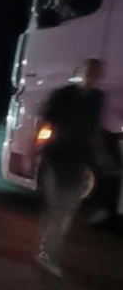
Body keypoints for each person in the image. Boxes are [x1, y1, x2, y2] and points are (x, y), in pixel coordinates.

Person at [35, 59, 105, 278]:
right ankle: (48, 253)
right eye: (88, 73)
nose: (91, 78)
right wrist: (38, 148)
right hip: (57, 157)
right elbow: (45, 123)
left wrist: (102, 157)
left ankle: (47, 249)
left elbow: (94, 131)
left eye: (95, 74)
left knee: (66, 211)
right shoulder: (63, 94)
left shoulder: (97, 99)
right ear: (80, 73)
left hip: (77, 161)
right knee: (59, 209)